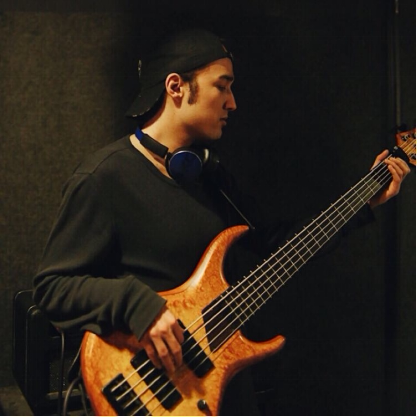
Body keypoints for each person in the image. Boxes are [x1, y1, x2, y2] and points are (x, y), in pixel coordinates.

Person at [33, 29, 410, 415]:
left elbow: (279, 246)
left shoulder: (209, 177)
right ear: (176, 87)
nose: (232, 102)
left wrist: (364, 200)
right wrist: (137, 306)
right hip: (146, 385)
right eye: (222, 86)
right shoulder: (104, 178)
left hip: (221, 387)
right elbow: (53, 287)